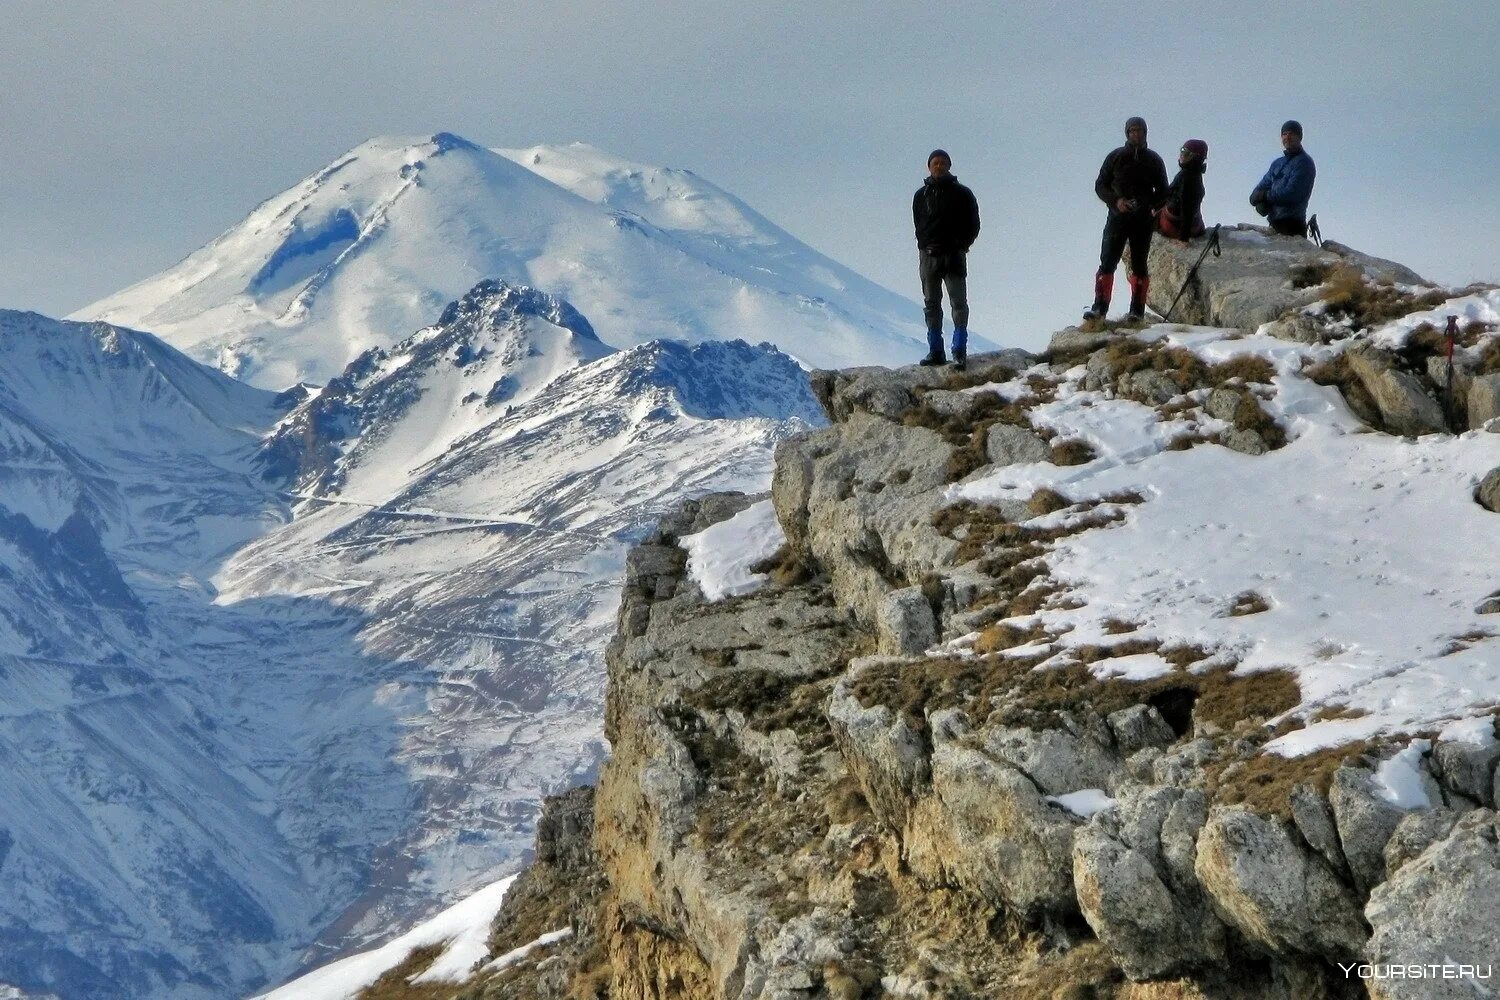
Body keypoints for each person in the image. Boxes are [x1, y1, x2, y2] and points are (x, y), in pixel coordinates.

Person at [1086, 117, 1169, 322]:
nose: (1136, 134)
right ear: (1127, 133)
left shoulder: (1154, 160)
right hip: (1117, 217)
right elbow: (1100, 185)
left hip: (1142, 220)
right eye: (1132, 131)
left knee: (1139, 264)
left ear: (1145, 133)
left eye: (1139, 130)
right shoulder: (1115, 157)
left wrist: (1151, 207)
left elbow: (1163, 191)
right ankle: (1099, 309)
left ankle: (1136, 312)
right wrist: (1116, 201)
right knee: (1107, 261)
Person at [912, 149, 980, 369]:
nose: (939, 166)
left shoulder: (963, 194)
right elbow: (918, 224)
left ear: (949, 166)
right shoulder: (920, 195)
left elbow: (973, 223)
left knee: (958, 303)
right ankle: (936, 351)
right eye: (935, 163)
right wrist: (924, 245)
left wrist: (962, 246)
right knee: (931, 304)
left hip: (954, 256)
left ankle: (959, 350)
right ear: (929, 166)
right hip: (929, 256)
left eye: (943, 163)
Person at [1250, 120, 1316, 237]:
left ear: (1300, 137)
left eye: (1292, 134)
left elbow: (1292, 194)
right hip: (1274, 225)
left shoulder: (1304, 163)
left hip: (1293, 227)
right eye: (1284, 134)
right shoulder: (1277, 164)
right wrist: (1257, 196)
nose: (1287, 137)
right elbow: (1259, 189)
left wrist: (1265, 196)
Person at [1156, 139, 1208, 241]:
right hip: (1194, 225)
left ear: (1194, 157)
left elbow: (1187, 207)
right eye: (1182, 151)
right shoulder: (1195, 174)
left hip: (1174, 227)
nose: (1181, 155)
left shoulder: (1187, 176)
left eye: (1185, 152)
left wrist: (1183, 238)